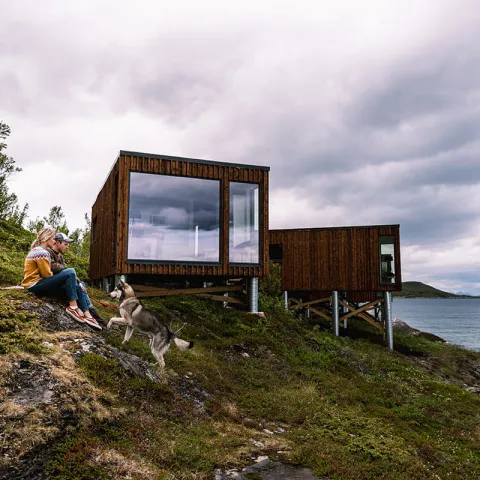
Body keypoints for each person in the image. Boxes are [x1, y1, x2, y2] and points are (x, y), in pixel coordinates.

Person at [22, 226, 102, 330]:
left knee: (77, 287)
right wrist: (59, 280)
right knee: (70, 272)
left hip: (37, 284)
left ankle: (88, 317)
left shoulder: (40, 250)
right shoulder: (42, 252)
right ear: (47, 238)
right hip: (34, 285)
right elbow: (47, 275)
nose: (54, 241)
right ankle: (73, 307)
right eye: (53, 238)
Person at [48, 232, 103, 323]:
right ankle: (87, 311)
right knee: (75, 280)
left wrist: (78, 281)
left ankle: (90, 310)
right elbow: (53, 267)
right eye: (65, 244)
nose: (67, 247)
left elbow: (63, 269)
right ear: (57, 243)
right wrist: (64, 269)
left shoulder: (60, 256)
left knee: (81, 284)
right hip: (54, 285)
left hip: (63, 284)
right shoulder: (48, 252)